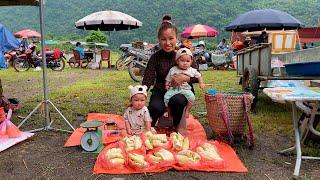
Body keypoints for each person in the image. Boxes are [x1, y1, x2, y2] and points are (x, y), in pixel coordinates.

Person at [142, 15, 199, 130]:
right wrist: (142, 91)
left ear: (176, 38)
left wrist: (185, 78)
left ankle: (176, 126)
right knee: (154, 107)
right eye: (163, 39)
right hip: (160, 89)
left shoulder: (184, 54)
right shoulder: (155, 57)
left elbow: (198, 76)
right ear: (159, 40)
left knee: (177, 101)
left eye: (171, 38)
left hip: (182, 90)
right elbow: (148, 78)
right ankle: (150, 128)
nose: (167, 43)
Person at [164, 48, 205, 118]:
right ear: (177, 61)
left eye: (187, 61)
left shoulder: (192, 70)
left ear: (191, 62)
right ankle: (168, 110)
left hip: (186, 89)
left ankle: (187, 109)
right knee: (166, 98)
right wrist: (167, 84)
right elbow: (168, 78)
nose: (185, 63)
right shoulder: (173, 69)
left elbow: (199, 76)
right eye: (182, 61)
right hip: (174, 88)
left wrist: (201, 83)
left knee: (192, 97)